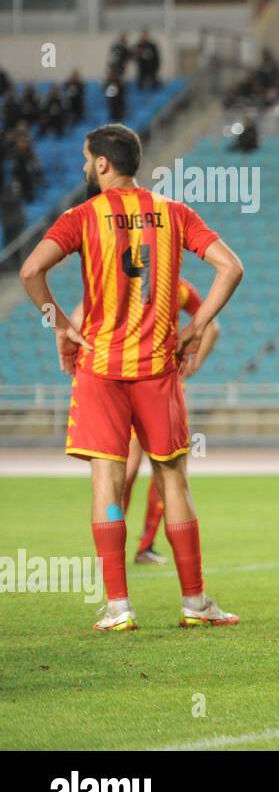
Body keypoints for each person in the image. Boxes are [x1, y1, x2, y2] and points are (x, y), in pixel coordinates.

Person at [19, 123, 244, 632]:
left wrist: (60, 326)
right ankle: (194, 601)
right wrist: (197, 326)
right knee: (173, 478)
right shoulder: (174, 213)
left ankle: (119, 606)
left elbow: (31, 271)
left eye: (85, 159)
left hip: (99, 368)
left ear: (102, 163)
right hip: (157, 369)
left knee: (108, 479)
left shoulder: (81, 217)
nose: (82, 167)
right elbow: (231, 267)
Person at [70, 276, 220, 565]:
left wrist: (90, 359)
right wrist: (193, 363)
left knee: (119, 476)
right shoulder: (177, 287)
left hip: (114, 384)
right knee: (168, 474)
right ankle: (147, 548)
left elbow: (77, 318)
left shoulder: (113, 282)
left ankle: (113, 551)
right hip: (159, 387)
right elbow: (211, 325)